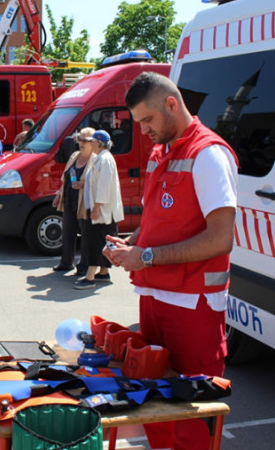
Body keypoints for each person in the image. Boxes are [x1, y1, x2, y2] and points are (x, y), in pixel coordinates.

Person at [104, 72, 238, 450]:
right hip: (157, 298)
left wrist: (143, 256)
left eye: (147, 120)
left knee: (191, 420)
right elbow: (162, 223)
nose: (144, 130)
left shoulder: (208, 153)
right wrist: (131, 243)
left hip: (194, 305)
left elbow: (220, 238)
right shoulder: (163, 152)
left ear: (172, 104)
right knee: (156, 408)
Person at [76, 129, 124, 289]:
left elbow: (103, 186)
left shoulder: (105, 160)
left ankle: (89, 277)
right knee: (102, 240)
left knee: (94, 241)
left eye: (91, 141)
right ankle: (103, 272)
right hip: (100, 209)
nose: (89, 143)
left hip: (102, 210)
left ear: (98, 143)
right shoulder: (100, 159)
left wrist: (96, 207)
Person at [51, 127, 95, 277]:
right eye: (79, 139)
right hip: (70, 199)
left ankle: (83, 266)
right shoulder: (75, 156)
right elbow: (65, 178)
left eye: (85, 140)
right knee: (68, 232)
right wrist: (59, 194)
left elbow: (99, 182)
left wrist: (84, 184)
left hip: (85, 202)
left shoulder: (95, 159)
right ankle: (66, 262)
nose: (81, 143)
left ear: (93, 142)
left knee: (86, 235)